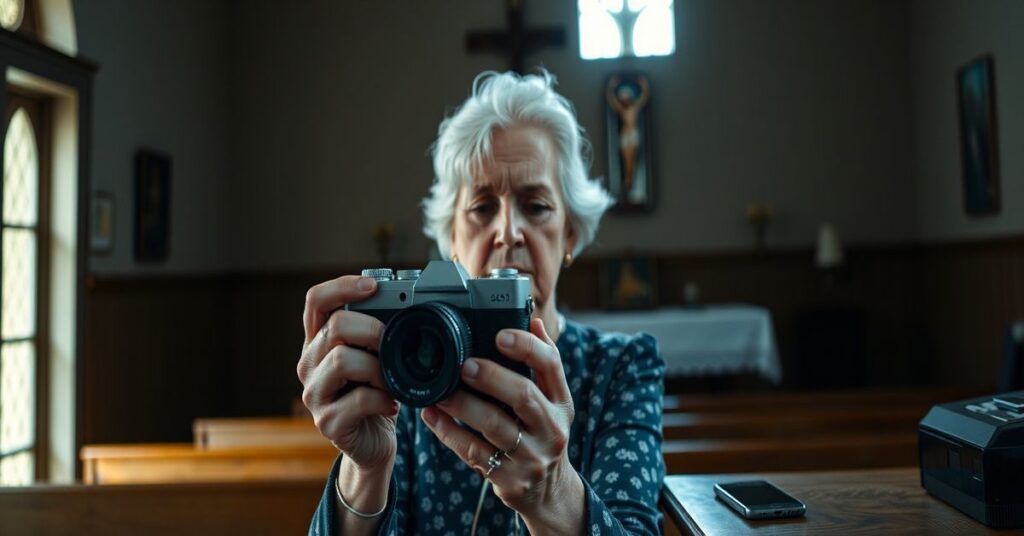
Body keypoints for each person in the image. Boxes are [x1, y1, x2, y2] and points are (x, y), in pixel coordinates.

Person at [298, 70, 665, 535]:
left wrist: (552, 494)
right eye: (482, 208)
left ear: (570, 233)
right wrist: (365, 470)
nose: (509, 232)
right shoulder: (407, 361)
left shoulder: (619, 369)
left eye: (536, 206)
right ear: (451, 236)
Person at [606, 75, 650, 196]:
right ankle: (627, 182)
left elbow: (644, 97)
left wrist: (644, 85)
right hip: (625, 135)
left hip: (632, 135)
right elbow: (612, 101)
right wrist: (610, 87)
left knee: (632, 161)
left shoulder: (634, 108)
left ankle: (630, 182)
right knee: (626, 161)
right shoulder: (622, 110)